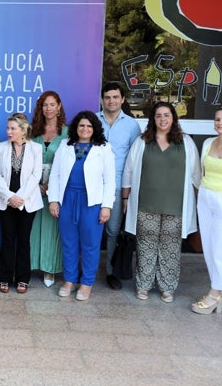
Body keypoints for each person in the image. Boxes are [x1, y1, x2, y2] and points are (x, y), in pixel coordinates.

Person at [122, 101, 200, 303]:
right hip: (145, 206)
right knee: (145, 247)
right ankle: (143, 286)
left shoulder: (186, 143)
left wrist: (200, 204)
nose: (163, 119)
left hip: (176, 208)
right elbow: (129, 172)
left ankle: (167, 287)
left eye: (166, 115)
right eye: (158, 115)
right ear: (152, 119)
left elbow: (196, 176)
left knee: (171, 249)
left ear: (173, 117)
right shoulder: (142, 141)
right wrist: (125, 199)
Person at [48, 111, 115, 301]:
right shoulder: (65, 145)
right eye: (81, 126)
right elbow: (55, 175)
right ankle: (69, 280)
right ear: (75, 128)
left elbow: (110, 180)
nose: (85, 129)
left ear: (94, 129)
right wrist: (53, 199)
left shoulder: (104, 148)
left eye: (89, 126)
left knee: (90, 244)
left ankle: (86, 283)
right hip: (68, 199)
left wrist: (106, 206)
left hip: (92, 202)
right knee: (69, 243)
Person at [96, 82, 141, 291]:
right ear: (102, 99)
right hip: (92, 185)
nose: (111, 101)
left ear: (122, 99)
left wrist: (127, 193)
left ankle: (111, 272)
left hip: (116, 186)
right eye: (107, 97)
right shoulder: (93, 121)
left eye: (115, 97)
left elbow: (134, 160)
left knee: (113, 230)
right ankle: (87, 269)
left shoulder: (131, 125)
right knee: (90, 230)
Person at [0, 113, 43, 294]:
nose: (9, 131)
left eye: (13, 128)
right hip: (5, 201)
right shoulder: (1, 148)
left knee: (23, 240)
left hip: (27, 202)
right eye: (8, 128)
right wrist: (9, 197)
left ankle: (22, 278)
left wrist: (19, 197)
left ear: (23, 130)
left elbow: (36, 175)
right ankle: (4, 277)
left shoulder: (36, 148)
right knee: (7, 239)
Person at [192, 105, 222, 314]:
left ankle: (215, 293)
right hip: (206, 197)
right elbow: (201, 171)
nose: (220, 123)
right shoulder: (208, 143)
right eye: (218, 119)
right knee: (209, 246)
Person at [29, 91, 68, 287]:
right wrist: (36, 185)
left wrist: (50, 186)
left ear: (59, 106)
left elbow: (70, 164)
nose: (48, 108)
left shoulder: (68, 133)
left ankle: (49, 268)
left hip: (57, 189)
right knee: (34, 227)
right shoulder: (32, 131)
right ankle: (33, 264)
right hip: (32, 187)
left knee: (53, 229)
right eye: (45, 105)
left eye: (52, 104)